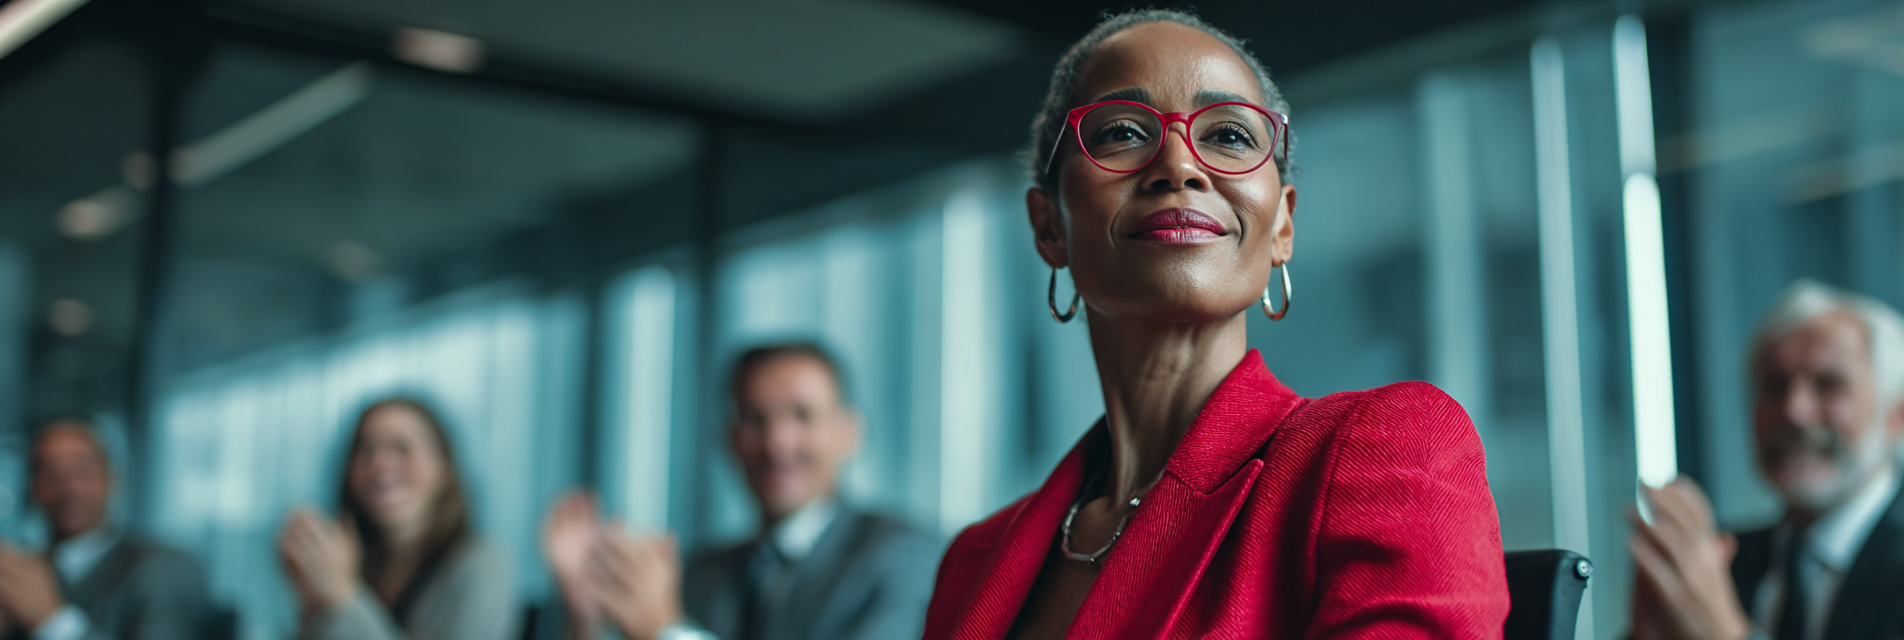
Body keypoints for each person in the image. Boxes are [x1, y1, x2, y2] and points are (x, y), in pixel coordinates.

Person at [921, 10, 1510, 639]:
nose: (1179, 166)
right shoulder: (973, 557)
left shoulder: (1386, 445)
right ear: (1049, 227)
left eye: (1230, 136)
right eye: (1123, 131)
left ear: (1282, 225)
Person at [543, 342, 940, 640]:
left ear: (849, 433)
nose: (777, 443)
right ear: (731, 441)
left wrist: (665, 629)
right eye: (755, 419)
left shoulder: (910, 560)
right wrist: (585, 615)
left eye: (802, 415)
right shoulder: (700, 575)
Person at [1628, 281, 1904, 640]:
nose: (1794, 412)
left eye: (1827, 385)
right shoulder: (1724, 564)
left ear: (1896, 416)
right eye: (1775, 386)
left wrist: (1727, 634)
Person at [278, 398, 517, 640]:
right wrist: (312, 603)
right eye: (365, 450)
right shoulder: (353, 559)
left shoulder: (480, 564)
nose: (379, 464)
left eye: (402, 448)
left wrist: (343, 598)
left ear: (443, 470)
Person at [0, 418, 208, 640]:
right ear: (33, 488)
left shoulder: (166, 567)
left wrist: (53, 620)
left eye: (83, 470)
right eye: (50, 474)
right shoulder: (25, 568)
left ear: (112, 478)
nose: (69, 488)